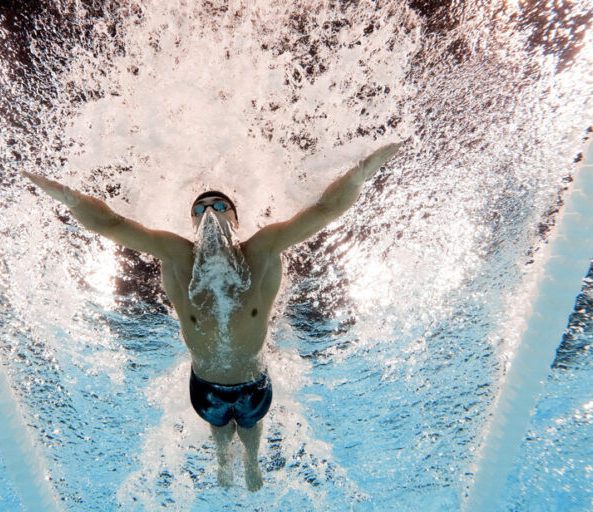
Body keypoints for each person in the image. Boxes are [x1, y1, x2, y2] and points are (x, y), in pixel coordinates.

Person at [23, 142, 401, 491]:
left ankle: (250, 460)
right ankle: (223, 459)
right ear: (193, 221)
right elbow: (113, 225)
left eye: (219, 206)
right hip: (205, 386)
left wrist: (358, 175)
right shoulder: (176, 254)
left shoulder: (263, 249)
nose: (209, 213)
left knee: (250, 425)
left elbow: (324, 210)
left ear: (234, 219)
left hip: (254, 382)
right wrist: (70, 198)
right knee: (219, 427)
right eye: (201, 208)